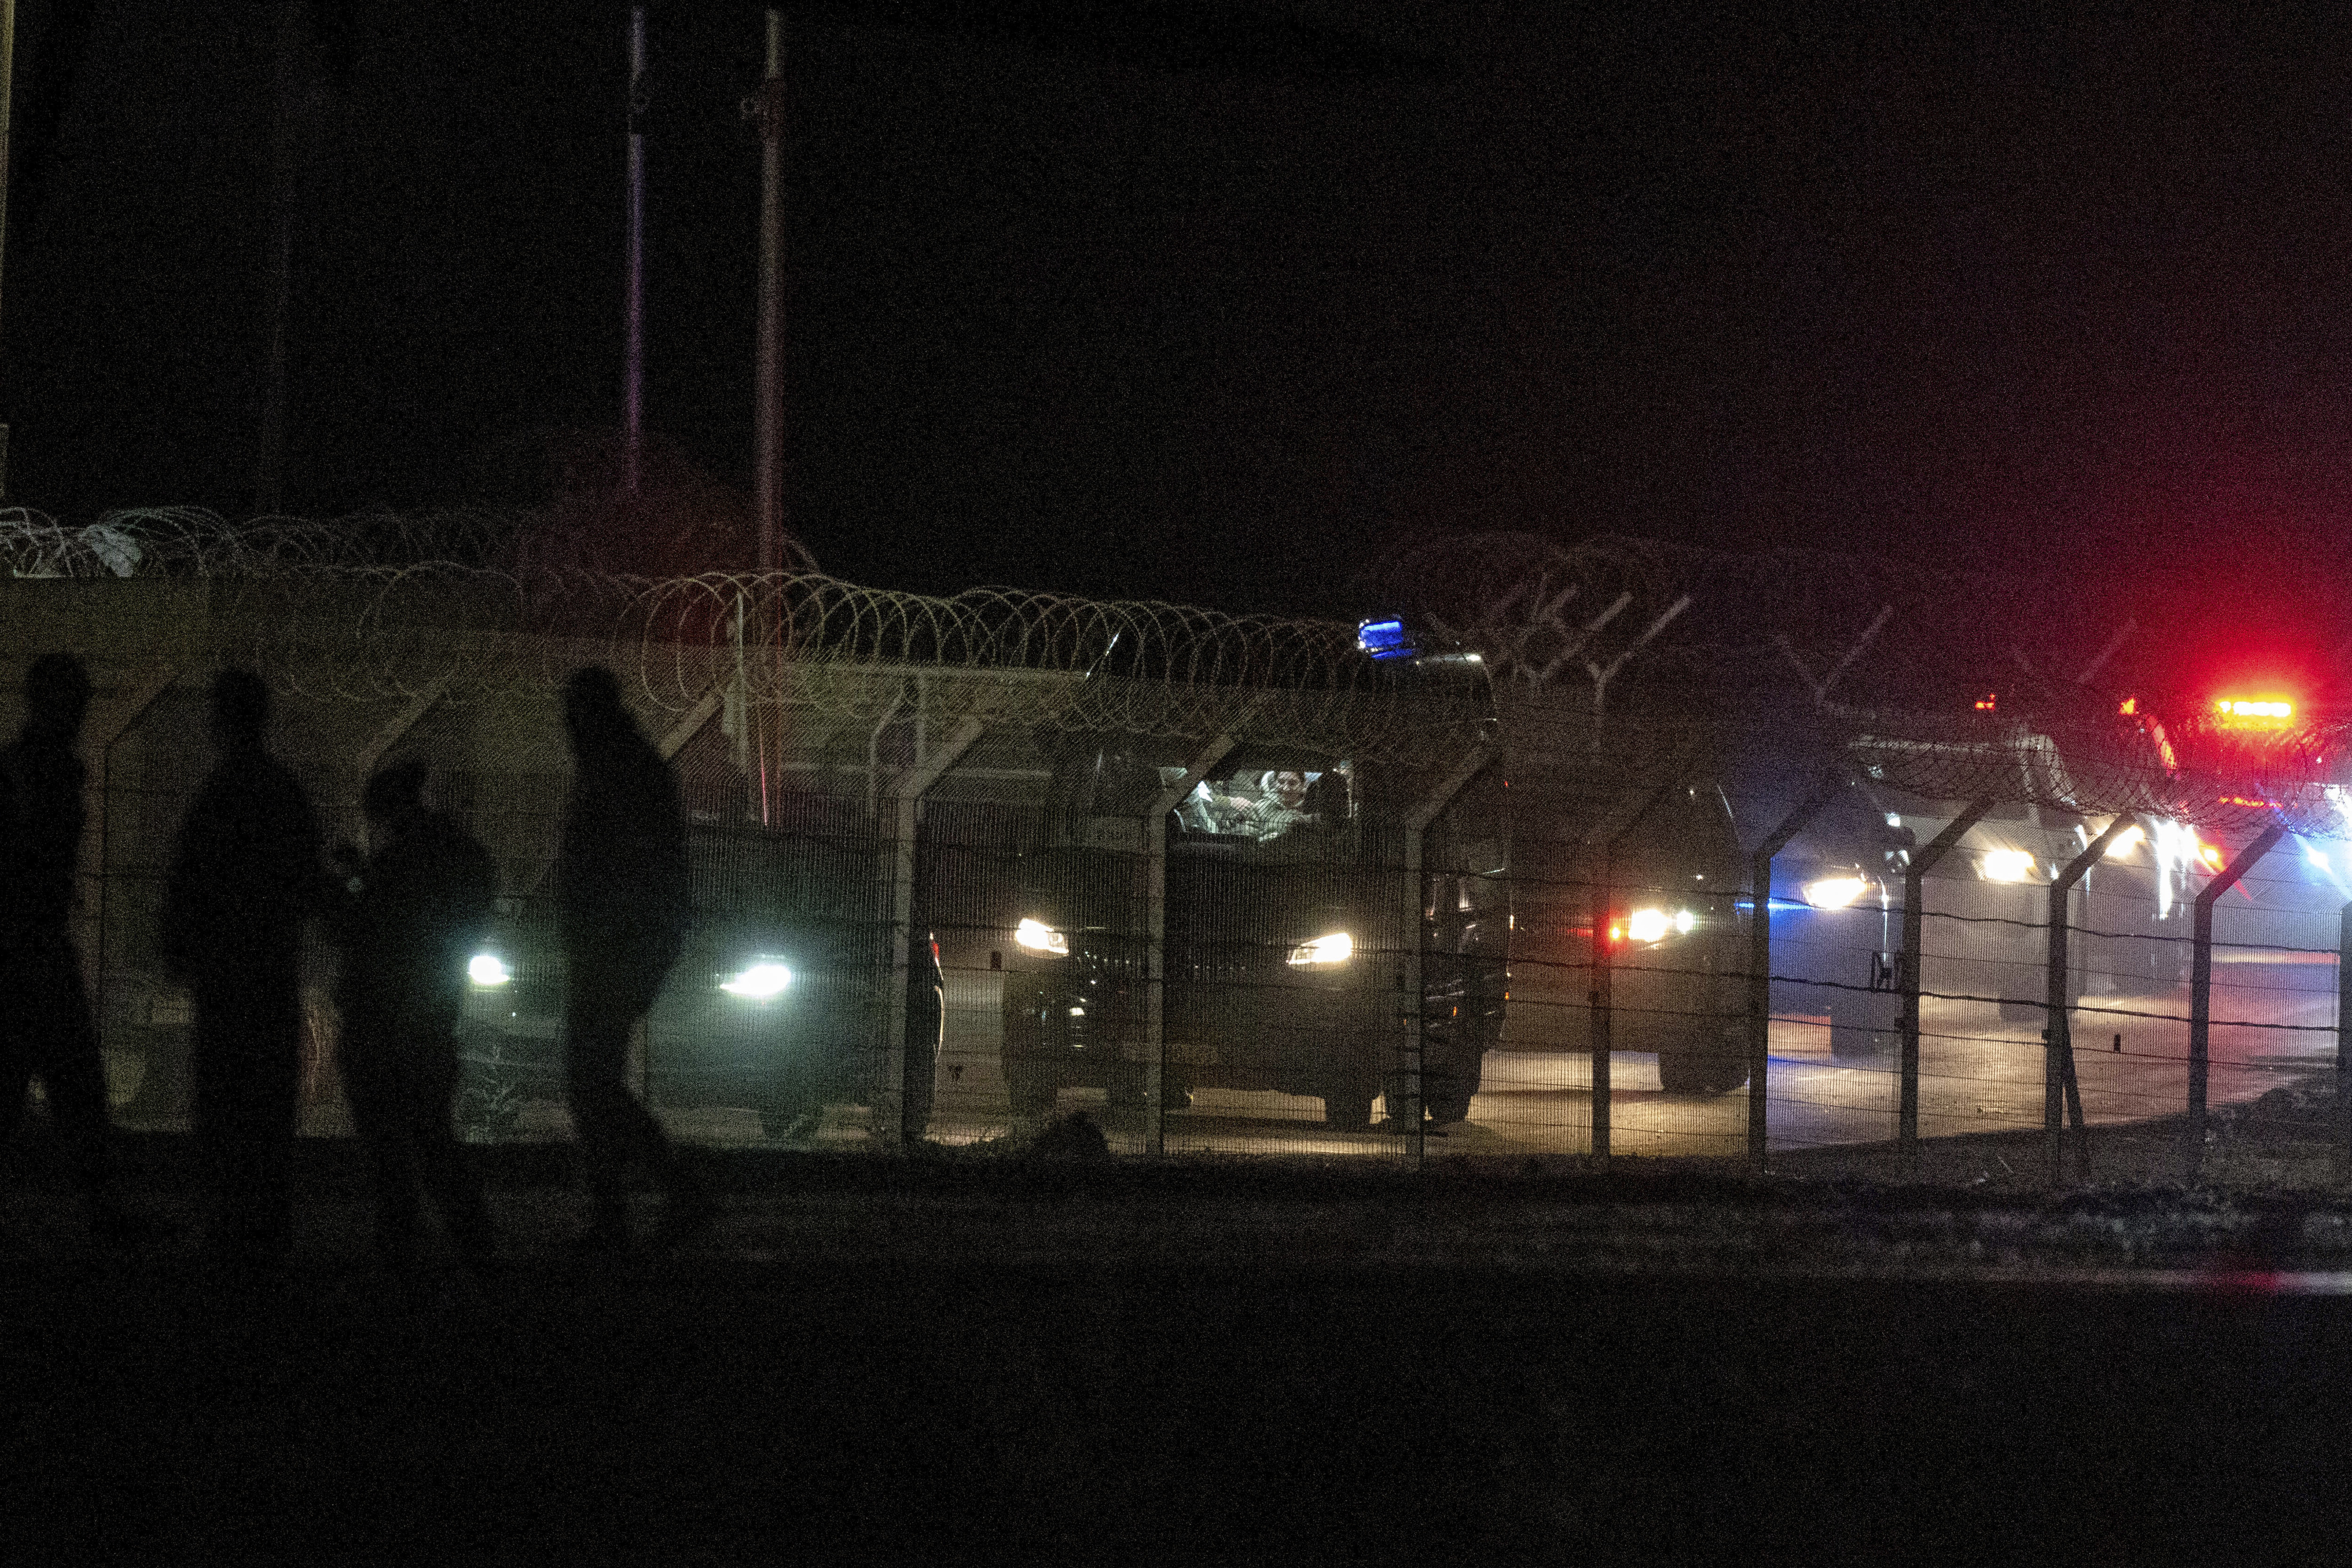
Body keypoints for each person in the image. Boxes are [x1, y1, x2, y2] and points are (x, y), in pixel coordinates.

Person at [0, 653, 173, 1243]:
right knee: (77, 1086)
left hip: (27, 948)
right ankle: (105, 1214)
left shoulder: (26, 768)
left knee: (66, 1086)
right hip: (34, 950)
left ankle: (105, 1212)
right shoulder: (42, 772)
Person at [161, 669, 326, 1265]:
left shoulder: (220, 794)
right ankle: (266, 1238)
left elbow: (189, 886)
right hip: (270, 976)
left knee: (225, 1109)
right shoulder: (282, 793)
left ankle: (229, 1233)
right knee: (267, 1116)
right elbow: (309, 885)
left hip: (227, 982)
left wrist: (182, 949)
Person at [557, 665, 712, 1251]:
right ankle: (644, 1200)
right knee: (594, 1081)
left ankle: (640, 1204)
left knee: (589, 1081)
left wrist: (626, 947)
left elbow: (629, 872)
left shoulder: (619, 771)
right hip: (617, 948)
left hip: (613, 949)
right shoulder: (626, 765)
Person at [328, 760, 497, 1267]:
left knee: (390, 1125)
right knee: (428, 1124)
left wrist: (349, 881)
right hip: (430, 1005)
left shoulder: (406, 857)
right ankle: (467, 1231)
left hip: (388, 1010)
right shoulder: (454, 851)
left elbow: (372, 924)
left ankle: (410, 1226)